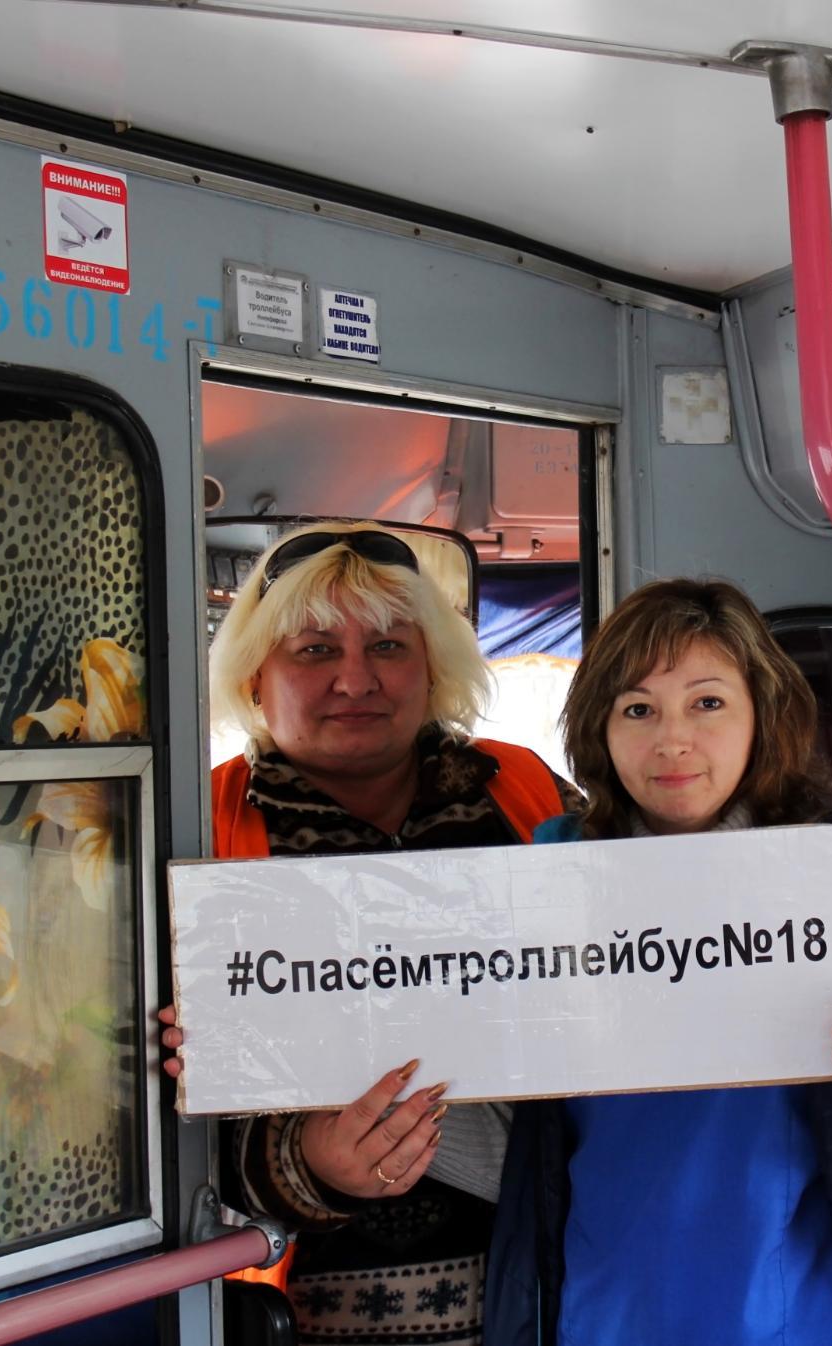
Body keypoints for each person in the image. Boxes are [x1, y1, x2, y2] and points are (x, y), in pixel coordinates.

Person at [482, 578, 832, 1346]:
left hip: (809, 1323)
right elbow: (511, 1140)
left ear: (763, 713)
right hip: (601, 1315)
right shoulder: (547, 889)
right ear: (600, 728)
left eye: (708, 703)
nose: (673, 740)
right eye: (638, 709)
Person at [159, 520, 577, 1346]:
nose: (356, 679)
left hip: (568, 1288)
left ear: (433, 667)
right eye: (315, 650)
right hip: (314, 1318)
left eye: (388, 646)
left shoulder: (527, 791)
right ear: (253, 677)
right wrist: (310, 1162)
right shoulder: (199, 831)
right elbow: (158, 1120)